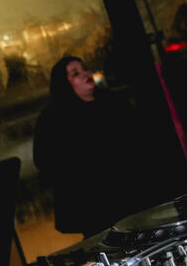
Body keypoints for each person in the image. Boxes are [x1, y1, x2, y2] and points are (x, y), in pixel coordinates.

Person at [32, 55, 145, 236]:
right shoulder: (53, 119)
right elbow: (45, 161)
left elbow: (139, 141)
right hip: (92, 204)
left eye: (85, 69)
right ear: (65, 83)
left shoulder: (114, 102)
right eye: (76, 73)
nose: (86, 74)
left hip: (131, 193)